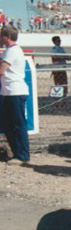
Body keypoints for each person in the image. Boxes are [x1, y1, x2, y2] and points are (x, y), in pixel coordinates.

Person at [0, 25, 30, 165]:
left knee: (18, 124)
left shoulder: (11, 52)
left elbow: (2, 70)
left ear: (6, 37)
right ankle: (17, 152)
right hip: (9, 92)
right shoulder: (11, 51)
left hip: (15, 91)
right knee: (8, 124)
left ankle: (22, 155)